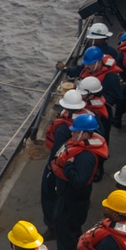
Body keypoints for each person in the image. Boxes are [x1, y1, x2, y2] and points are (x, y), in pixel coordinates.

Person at [49, 114, 109, 250]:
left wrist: (68, 166)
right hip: (66, 194)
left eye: (76, 132)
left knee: (66, 225)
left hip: (74, 197)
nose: (73, 134)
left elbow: (79, 181)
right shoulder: (80, 148)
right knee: (63, 223)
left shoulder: (86, 156)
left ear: (86, 133)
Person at [41, 88, 87, 236]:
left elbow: (56, 151)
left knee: (49, 193)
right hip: (79, 164)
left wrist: (50, 168)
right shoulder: (89, 119)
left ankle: (52, 227)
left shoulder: (63, 128)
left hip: (62, 167)